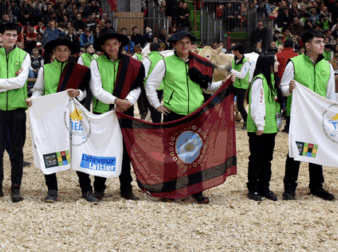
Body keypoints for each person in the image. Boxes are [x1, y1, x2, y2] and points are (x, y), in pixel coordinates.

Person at [145, 30, 231, 203]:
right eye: (181, 43)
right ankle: (168, 190)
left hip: (195, 113)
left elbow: (207, 86)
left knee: (195, 152)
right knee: (171, 152)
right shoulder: (165, 62)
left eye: (188, 43)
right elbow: (150, 84)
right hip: (173, 113)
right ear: (175, 45)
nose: (185, 46)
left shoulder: (198, 62)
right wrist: (157, 105)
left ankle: (195, 189)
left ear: (192, 45)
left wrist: (224, 82)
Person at [86, 30, 146, 202]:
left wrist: (127, 101)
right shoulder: (96, 64)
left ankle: (126, 188)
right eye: (108, 45)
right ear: (103, 47)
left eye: (115, 44)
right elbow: (96, 89)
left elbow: (137, 87)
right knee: (101, 149)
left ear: (120, 45)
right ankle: (99, 187)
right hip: (103, 111)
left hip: (125, 111)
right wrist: (116, 101)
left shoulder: (132, 64)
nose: (112, 47)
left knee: (126, 149)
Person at [27, 37, 89, 202]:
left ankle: (86, 189)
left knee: (77, 148)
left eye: (65, 50)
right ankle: (52, 189)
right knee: (50, 149)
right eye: (59, 50)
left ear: (70, 53)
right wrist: (34, 99)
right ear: (53, 53)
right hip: (50, 114)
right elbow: (38, 89)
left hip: (73, 114)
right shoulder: (45, 69)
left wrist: (78, 93)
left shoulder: (80, 70)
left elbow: (86, 93)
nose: (62, 53)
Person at [278, 29, 336, 201]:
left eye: (323, 41)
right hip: (299, 114)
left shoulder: (328, 66)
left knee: (317, 149)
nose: (322, 44)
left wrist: (331, 114)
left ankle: (316, 186)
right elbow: (282, 88)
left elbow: (331, 94)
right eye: (318, 42)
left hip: (319, 115)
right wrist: (289, 89)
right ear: (308, 45)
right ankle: (289, 187)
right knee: (296, 150)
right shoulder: (293, 63)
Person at [0, 22, 30, 202]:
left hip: (18, 108)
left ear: (18, 37)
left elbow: (21, 82)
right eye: (8, 34)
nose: (11, 38)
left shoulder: (24, 56)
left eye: (14, 35)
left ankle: (16, 187)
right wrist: (7, 82)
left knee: (17, 150)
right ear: (1, 37)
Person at [245, 54, 279, 202]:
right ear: (268, 64)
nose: (277, 64)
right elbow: (256, 104)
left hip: (271, 127)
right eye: (275, 61)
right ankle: (253, 188)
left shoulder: (271, 80)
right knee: (256, 159)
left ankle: (265, 187)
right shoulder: (259, 80)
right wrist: (260, 124)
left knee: (267, 159)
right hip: (260, 128)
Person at [228, 44, 252, 128]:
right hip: (234, 85)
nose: (232, 52)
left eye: (234, 51)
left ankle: (246, 121)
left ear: (238, 52)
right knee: (226, 100)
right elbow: (228, 67)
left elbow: (242, 75)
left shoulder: (246, 63)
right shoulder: (234, 60)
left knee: (240, 106)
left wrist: (231, 70)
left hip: (242, 87)